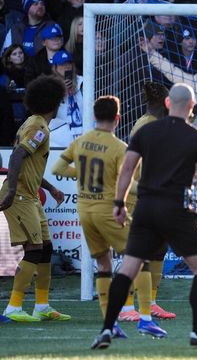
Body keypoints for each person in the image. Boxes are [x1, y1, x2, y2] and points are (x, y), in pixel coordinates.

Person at [91, 83, 197, 349]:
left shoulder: (146, 131)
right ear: (191, 107)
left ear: (167, 103)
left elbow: (127, 168)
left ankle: (107, 329)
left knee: (129, 268)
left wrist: (119, 202)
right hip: (176, 208)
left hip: (145, 208)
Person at [51, 96, 166, 338]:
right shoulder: (119, 148)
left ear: (93, 116)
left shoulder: (80, 141)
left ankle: (109, 323)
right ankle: (145, 319)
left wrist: (81, 174)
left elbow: (57, 169)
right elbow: (129, 185)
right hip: (107, 210)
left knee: (103, 264)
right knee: (141, 258)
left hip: (85, 211)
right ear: (118, 118)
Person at [0, 76, 69, 322]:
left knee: (46, 249)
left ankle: (42, 306)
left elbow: (29, 163)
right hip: (20, 196)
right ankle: (14, 307)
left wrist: (50, 188)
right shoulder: (38, 127)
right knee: (34, 249)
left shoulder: (34, 122)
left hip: (30, 196)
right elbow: (17, 155)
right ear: (54, 102)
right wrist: (10, 191)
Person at [120, 82, 176, 322]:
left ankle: (151, 302)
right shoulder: (147, 126)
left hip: (155, 195)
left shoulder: (156, 124)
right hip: (139, 196)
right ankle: (125, 306)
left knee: (159, 250)